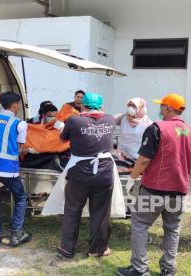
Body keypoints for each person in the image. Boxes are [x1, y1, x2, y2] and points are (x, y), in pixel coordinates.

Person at [117, 94, 191, 276]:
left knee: (139, 224)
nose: (160, 108)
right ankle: (168, 269)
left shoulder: (157, 128)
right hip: (179, 190)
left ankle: (140, 268)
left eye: (162, 105)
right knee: (172, 229)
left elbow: (144, 159)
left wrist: (132, 178)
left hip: (155, 188)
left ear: (168, 108)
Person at [57, 92, 116, 259]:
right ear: (101, 106)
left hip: (79, 174)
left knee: (72, 210)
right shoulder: (110, 120)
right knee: (101, 212)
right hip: (104, 174)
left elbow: (62, 140)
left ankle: (67, 249)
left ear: (82, 106)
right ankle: (98, 249)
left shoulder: (74, 120)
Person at [0, 92, 32, 250]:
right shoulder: (20, 124)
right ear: (15, 106)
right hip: (8, 169)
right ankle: (16, 235)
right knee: (21, 198)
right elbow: (21, 147)